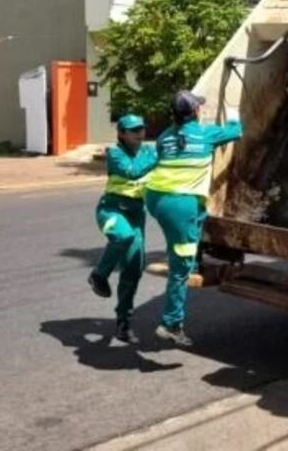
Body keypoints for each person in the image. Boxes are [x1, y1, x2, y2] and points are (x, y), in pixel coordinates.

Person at [145, 91, 242, 346]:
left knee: (198, 216)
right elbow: (236, 131)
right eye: (198, 107)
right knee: (180, 269)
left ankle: (189, 255)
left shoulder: (164, 136)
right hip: (180, 204)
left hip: (157, 199)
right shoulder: (206, 133)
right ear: (195, 112)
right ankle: (171, 323)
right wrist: (233, 114)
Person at [88, 114, 157, 344]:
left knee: (134, 268)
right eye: (133, 130)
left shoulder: (148, 151)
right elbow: (132, 171)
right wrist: (159, 154)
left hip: (137, 214)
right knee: (123, 236)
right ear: (121, 134)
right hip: (111, 210)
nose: (139, 132)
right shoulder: (115, 153)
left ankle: (123, 321)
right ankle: (99, 275)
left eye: (141, 128)